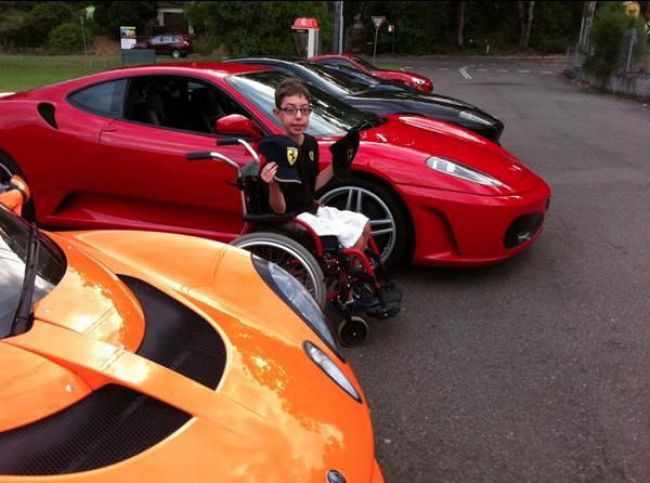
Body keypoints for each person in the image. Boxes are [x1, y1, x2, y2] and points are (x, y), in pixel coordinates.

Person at [259, 78, 372, 253]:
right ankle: (350, 270)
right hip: (291, 216)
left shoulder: (311, 143)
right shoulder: (275, 148)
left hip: (311, 209)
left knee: (364, 224)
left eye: (304, 110)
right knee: (354, 238)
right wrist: (273, 185)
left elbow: (311, 185)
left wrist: (338, 162)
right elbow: (279, 210)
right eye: (290, 110)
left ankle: (356, 267)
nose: (298, 116)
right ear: (277, 113)